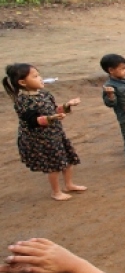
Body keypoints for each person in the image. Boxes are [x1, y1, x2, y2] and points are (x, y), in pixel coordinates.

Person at [3, 64, 85, 201]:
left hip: (55, 134)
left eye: (39, 75)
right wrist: (51, 118)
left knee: (68, 159)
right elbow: (33, 121)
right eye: (35, 76)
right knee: (53, 165)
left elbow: (54, 109)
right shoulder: (22, 101)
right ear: (22, 82)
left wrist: (67, 105)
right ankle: (56, 192)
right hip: (40, 138)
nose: (40, 78)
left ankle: (69, 184)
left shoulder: (44, 94)